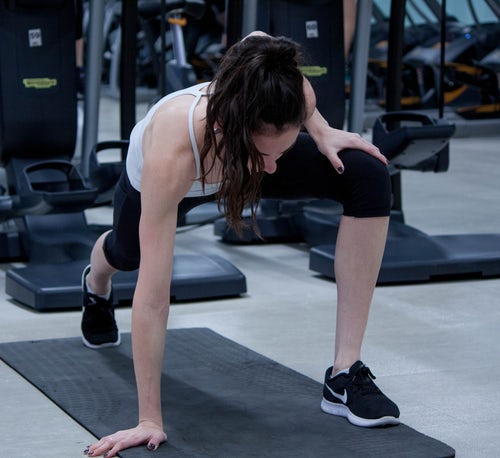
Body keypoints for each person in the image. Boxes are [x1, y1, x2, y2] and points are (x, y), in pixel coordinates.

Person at [82, 32, 399, 457]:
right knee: (128, 255)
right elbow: (154, 299)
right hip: (180, 175)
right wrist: (149, 420)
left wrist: (321, 131)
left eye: (280, 152)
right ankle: (95, 282)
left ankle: (344, 374)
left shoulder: (287, 95)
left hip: (237, 157)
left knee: (365, 173)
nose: (273, 169)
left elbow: (260, 41)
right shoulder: (172, 153)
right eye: (266, 156)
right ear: (224, 126)